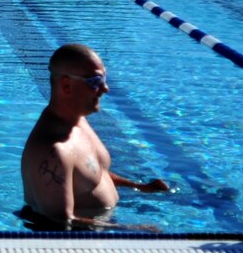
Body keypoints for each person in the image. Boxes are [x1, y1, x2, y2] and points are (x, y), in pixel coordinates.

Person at [18, 44, 171, 230]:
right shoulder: (53, 151)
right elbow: (59, 221)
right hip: (72, 248)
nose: (105, 88)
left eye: (104, 79)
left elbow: (91, 174)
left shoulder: (78, 121)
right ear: (66, 85)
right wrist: (131, 229)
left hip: (98, 229)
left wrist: (139, 186)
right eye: (95, 81)